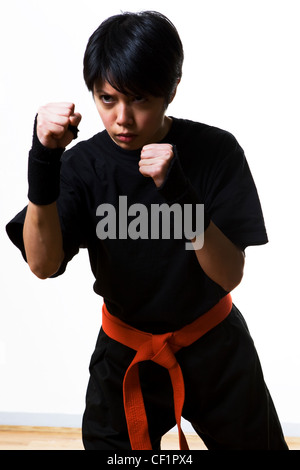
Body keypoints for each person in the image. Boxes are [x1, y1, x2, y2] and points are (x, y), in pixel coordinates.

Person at [6, 11, 288, 450]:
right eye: (107, 99)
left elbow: (229, 274)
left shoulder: (216, 151)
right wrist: (43, 161)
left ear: (171, 90)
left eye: (139, 100)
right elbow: (42, 264)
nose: (122, 118)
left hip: (214, 345)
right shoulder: (84, 166)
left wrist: (178, 191)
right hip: (126, 350)